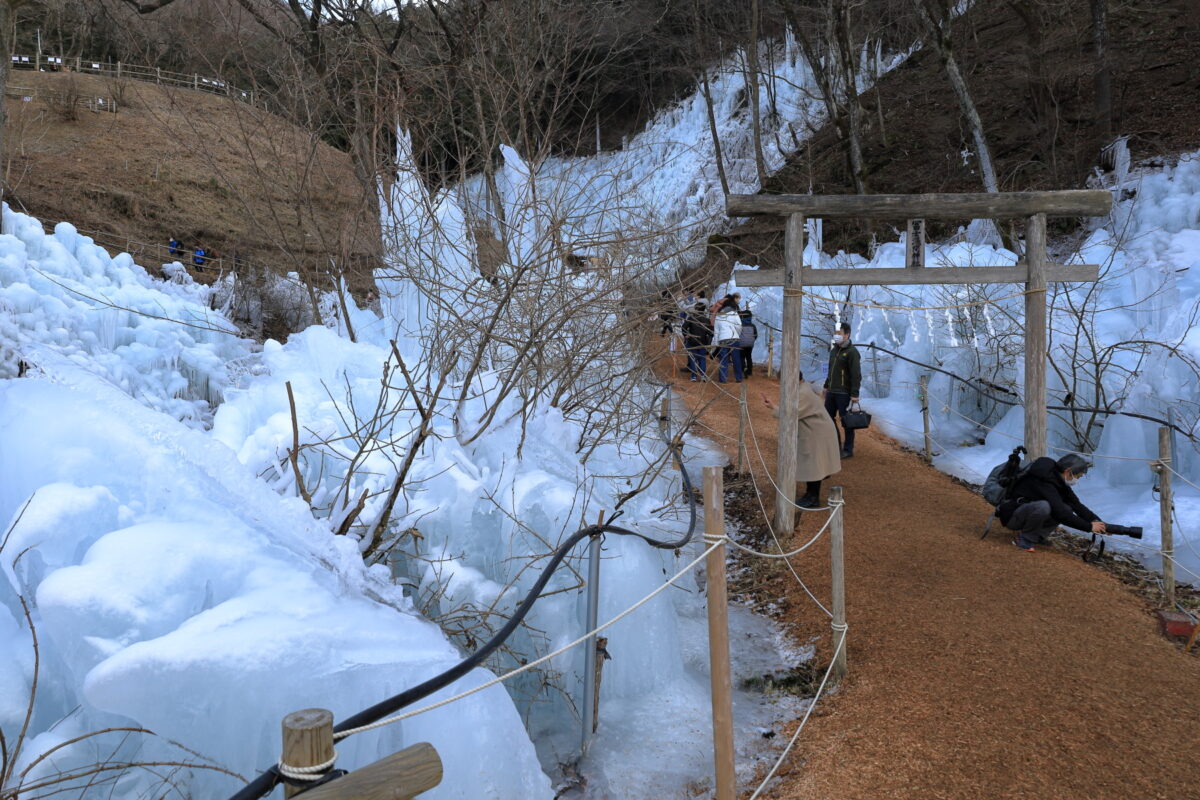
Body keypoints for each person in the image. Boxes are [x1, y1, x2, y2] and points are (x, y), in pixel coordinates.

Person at [760, 371, 841, 508]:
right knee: (813, 464)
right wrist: (773, 406)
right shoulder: (802, 388)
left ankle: (813, 498)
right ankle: (810, 494)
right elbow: (791, 411)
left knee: (815, 466)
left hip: (817, 433)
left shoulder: (802, 393)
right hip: (814, 431)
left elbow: (791, 414)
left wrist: (773, 408)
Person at [998, 454, 1106, 551]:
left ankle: (1037, 537)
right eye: (1078, 476)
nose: (1076, 480)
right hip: (1012, 516)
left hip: (1025, 513)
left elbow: (1076, 505)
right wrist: (1088, 527)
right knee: (1044, 507)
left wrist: (1100, 524)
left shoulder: (1059, 481)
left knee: (1066, 507)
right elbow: (1061, 514)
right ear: (1068, 471)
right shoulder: (1043, 480)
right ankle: (1025, 539)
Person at [823, 321, 862, 459]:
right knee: (828, 418)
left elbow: (856, 374)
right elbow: (830, 370)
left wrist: (855, 394)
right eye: (835, 333)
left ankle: (848, 449)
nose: (836, 335)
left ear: (847, 334)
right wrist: (826, 385)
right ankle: (834, 446)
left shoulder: (852, 352)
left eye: (839, 333)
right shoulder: (834, 350)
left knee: (847, 421)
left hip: (844, 393)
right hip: (832, 391)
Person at [713, 297, 743, 383]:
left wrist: (716, 342)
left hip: (723, 339)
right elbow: (739, 326)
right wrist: (737, 334)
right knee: (736, 358)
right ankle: (738, 378)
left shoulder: (719, 315)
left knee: (723, 359)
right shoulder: (734, 313)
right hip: (734, 338)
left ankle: (723, 379)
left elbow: (716, 330)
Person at [682, 302, 713, 381]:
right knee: (702, 359)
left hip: (692, 341)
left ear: (696, 309)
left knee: (693, 359)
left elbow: (684, 327)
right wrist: (709, 342)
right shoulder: (706, 320)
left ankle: (694, 376)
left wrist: (686, 335)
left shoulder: (692, 318)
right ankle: (703, 375)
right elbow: (711, 332)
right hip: (703, 342)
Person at [737, 309, 758, 377]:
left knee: (741, 357)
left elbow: (738, 334)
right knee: (749, 357)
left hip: (741, 344)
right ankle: (750, 372)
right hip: (750, 344)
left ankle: (744, 369)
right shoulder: (753, 325)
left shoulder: (740, 325)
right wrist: (752, 340)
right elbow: (756, 335)